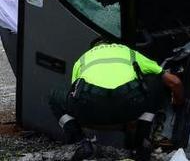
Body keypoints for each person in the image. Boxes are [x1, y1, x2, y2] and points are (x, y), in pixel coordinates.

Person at [50, 41, 183, 161]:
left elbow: (75, 94)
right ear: (111, 44)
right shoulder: (128, 52)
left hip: (90, 107)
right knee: (155, 81)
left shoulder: (82, 59)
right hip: (129, 104)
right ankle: (141, 141)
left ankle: (81, 143)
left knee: (54, 96)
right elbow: (174, 82)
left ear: (93, 48)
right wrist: (179, 103)